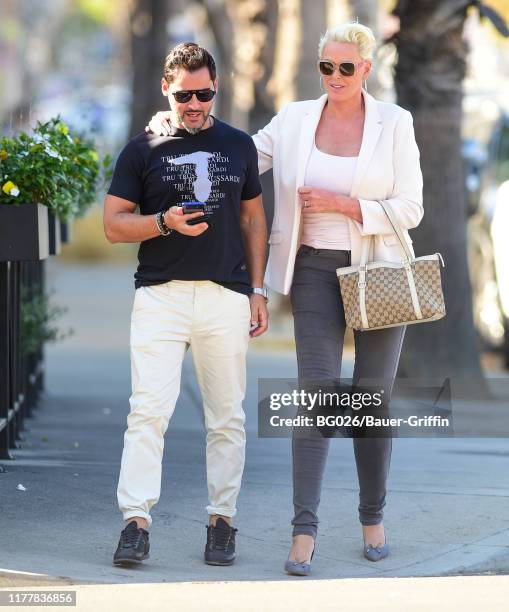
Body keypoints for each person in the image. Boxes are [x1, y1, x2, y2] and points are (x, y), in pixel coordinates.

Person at [147, 22, 423, 574]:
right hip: (314, 270)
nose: (336, 77)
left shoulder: (395, 123)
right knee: (316, 396)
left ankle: (373, 517)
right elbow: (241, 157)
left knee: (371, 402)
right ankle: (304, 531)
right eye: (327, 67)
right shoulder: (296, 119)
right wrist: (175, 127)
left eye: (346, 68)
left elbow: (412, 207)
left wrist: (345, 204)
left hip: (380, 272)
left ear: (366, 69)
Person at [104, 42, 269, 568]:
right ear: (166, 90)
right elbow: (112, 224)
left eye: (203, 93)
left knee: (226, 418)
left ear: (216, 88)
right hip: (160, 295)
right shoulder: (142, 150)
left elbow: (252, 219)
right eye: (184, 95)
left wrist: (258, 289)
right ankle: (135, 522)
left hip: (225, 296)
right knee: (147, 411)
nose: (194, 104)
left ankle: (222, 521)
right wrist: (161, 222)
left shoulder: (239, 145)